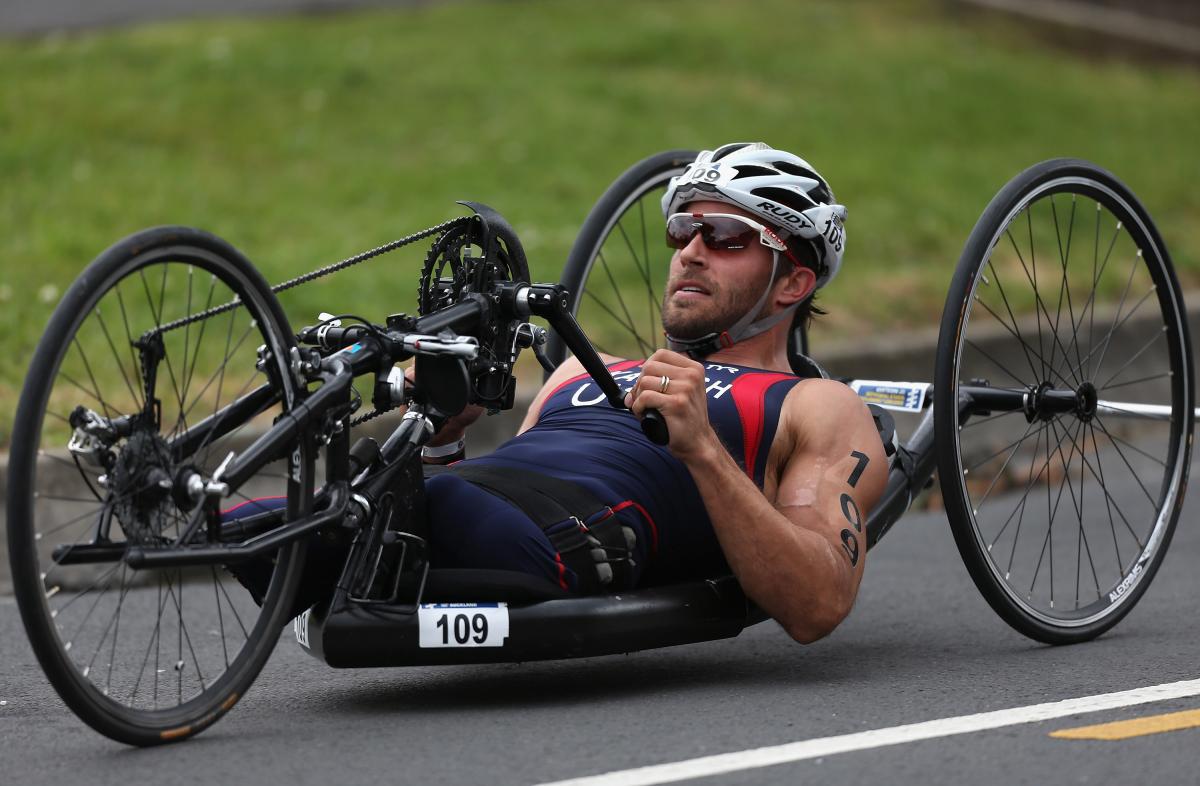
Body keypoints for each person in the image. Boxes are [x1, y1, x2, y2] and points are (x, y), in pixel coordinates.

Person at [417, 142, 888, 643]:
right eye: (683, 229)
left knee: (398, 510)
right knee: (361, 496)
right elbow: (490, 480)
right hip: (457, 506)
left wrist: (703, 446)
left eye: (726, 236)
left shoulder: (814, 403)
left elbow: (821, 601)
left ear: (793, 283)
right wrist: (442, 437)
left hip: (556, 534)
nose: (690, 252)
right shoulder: (577, 370)